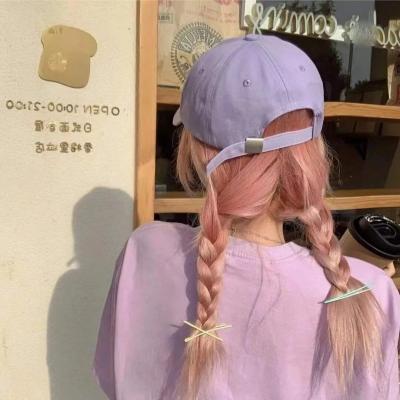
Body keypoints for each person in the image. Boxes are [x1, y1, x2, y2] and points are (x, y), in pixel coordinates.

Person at [92, 34, 400, 400]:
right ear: (312, 152)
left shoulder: (144, 251)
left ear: (196, 150)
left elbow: (113, 377)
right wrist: (357, 275)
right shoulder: (372, 294)